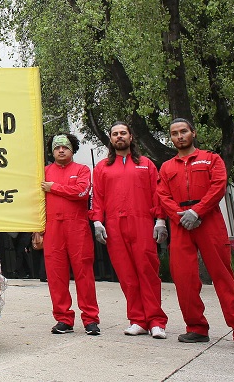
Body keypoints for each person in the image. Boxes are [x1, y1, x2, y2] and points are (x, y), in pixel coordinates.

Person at [157, 118, 234, 352]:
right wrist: (179, 216)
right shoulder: (166, 167)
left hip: (209, 220)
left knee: (223, 276)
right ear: (171, 138)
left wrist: (197, 211)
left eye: (183, 131)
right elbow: (162, 195)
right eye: (174, 133)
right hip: (180, 223)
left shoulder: (212, 159)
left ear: (193, 133)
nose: (179, 136)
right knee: (184, 279)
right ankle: (196, 328)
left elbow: (219, 186)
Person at [91, 122, 168, 339]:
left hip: (142, 222)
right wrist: (97, 222)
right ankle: (137, 320)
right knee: (126, 275)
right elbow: (98, 197)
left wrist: (160, 220)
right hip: (114, 225)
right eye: (115, 134)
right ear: (110, 139)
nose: (119, 136)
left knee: (147, 272)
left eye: (123, 133)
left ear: (131, 137)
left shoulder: (146, 164)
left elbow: (157, 193)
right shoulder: (102, 167)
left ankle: (156, 321)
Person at [41, 133, 100, 335]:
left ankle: (90, 319)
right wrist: (37, 230)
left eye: (65, 147)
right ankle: (63, 319)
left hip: (77, 227)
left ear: (72, 149)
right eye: (57, 147)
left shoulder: (82, 170)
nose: (61, 150)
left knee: (84, 273)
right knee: (55, 275)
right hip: (52, 228)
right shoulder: (44, 172)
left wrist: (54, 188)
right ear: (52, 151)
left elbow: (82, 192)